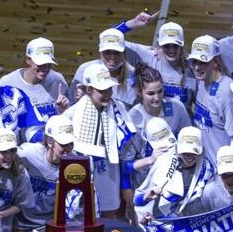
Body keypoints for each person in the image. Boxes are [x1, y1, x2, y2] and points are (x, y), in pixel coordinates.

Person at [64, 62, 137, 221]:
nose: (107, 94)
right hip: (81, 174)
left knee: (108, 218)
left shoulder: (119, 110)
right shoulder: (73, 113)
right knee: (79, 218)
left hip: (109, 173)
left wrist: (125, 185)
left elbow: (127, 151)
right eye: (102, 90)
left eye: (109, 89)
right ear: (89, 89)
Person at [127, 64, 191, 187]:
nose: (157, 98)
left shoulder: (177, 108)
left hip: (176, 179)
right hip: (145, 183)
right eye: (151, 93)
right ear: (139, 92)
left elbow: (188, 142)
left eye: (160, 91)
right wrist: (150, 160)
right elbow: (125, 165)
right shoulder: (132, 118)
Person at [188, 35, 233, 166]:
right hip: (206, 165)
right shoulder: (201, 82)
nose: (197, 67)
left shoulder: (226, 92)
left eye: (203, 62)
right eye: (194, 62)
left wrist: (227, 168)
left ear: (215, 62)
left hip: (221, 170)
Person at [115, 13, 196, 106]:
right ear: (159, 44)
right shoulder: (148, 56)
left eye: (175, 46)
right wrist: (132, 23)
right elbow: (108, 38)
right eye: (167, 46)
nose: (171, 50)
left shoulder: (195, 65)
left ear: (182, 44)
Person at [0, 37, 69, 142]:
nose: (45, 68)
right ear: (28, 60)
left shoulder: (58, 80)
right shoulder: (7, 83)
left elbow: (67, 117)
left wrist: (64, 110)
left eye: (48, 64)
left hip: (53, 146)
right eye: (40, 64)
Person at [71, 28, 137, 108]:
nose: (112, 57)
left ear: (123, 53)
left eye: (116, 53)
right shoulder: (85, 69)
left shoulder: (134, 75)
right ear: (100, 52)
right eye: (107, 52)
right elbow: (71, 102)